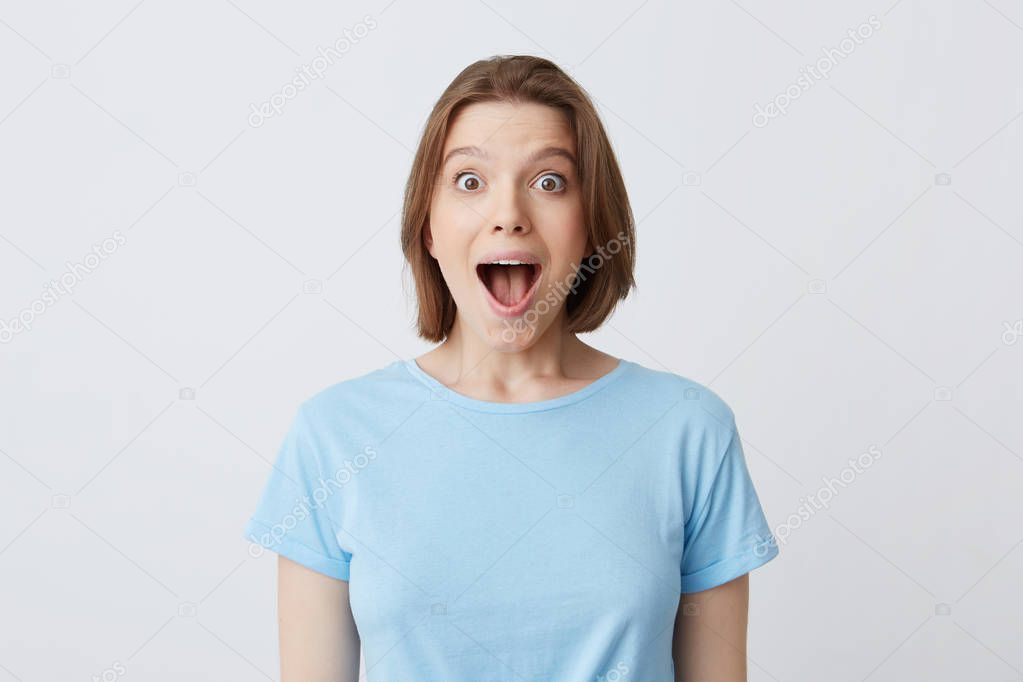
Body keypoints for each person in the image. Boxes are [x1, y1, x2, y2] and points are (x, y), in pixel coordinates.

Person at [243, 54, 779, 681]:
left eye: (549, 182)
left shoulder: (689, 430)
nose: (510, 213)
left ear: (592, 226)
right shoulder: (333, 434)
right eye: (469, 181)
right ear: (428, 228)